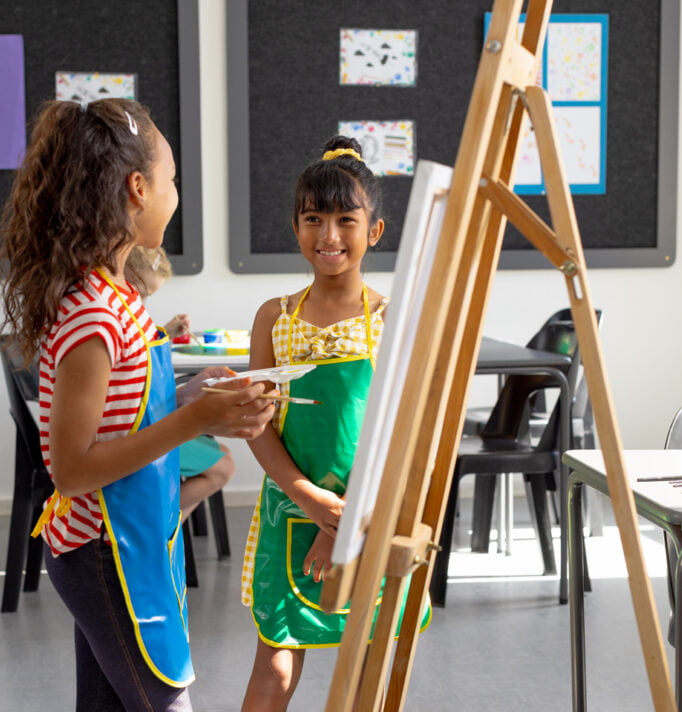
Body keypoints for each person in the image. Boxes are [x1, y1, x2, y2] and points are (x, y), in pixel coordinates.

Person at [0, 97, 274, 712]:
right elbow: (71, 469)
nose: (177, 194)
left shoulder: (117, 294)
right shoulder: (93, 312)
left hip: (129, 540)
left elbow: (130, 408)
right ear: (138, 188)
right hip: (103, 551)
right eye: (172, 180)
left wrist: (198, 395)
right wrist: (191, 421)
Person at [239, 136, 429, 711]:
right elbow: (258, 424)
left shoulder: (391, 320)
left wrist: (337, 521)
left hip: (372, 515)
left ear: (374, 231)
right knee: (274, 661)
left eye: (345, 219)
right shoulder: (275, 318)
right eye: (313, 218)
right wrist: (308, 500)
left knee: (366, 672)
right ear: (295, 226)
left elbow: (402, 433)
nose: (328, 236)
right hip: (287, 509)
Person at [124, 245, 236, 520]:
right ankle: (160, 524)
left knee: (220, 453)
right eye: (142, 293)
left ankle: (166, 528)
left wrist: (166, 331)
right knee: (222, 467)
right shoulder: (120, 321)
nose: (143, 300)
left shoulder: (130, 318)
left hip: (146, 424)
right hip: (138, 433)